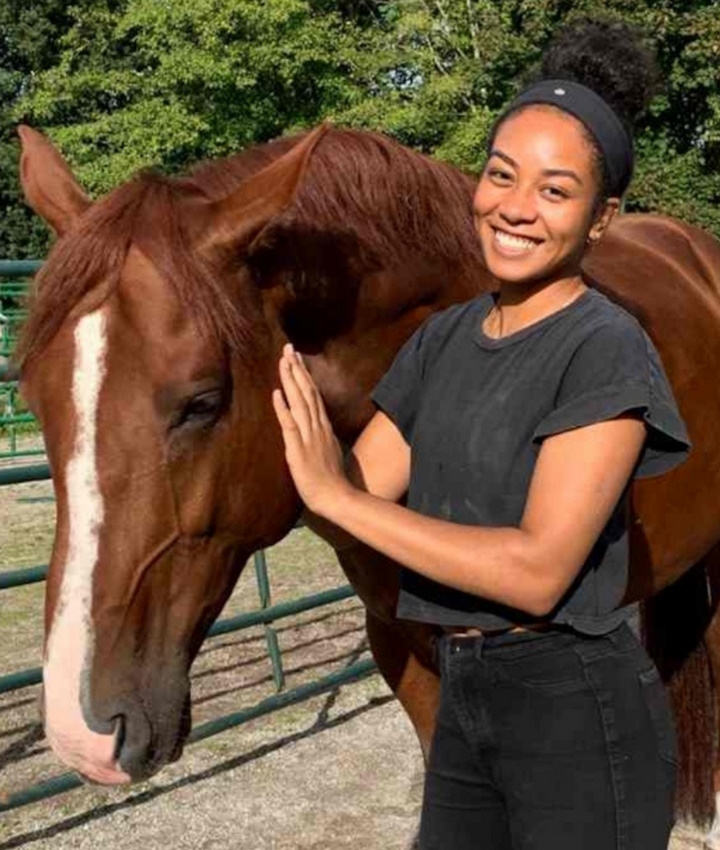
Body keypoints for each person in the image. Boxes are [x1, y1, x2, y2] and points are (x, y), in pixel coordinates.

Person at [272, 17, 691, 850]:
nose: (515, 208)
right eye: (502, 175)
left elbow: (537, 572)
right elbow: (361, 491)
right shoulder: (443, 339)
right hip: (461, 690)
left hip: (572, 703)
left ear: (602, 219)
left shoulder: (603, 348)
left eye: (555, 190)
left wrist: (333, 494)